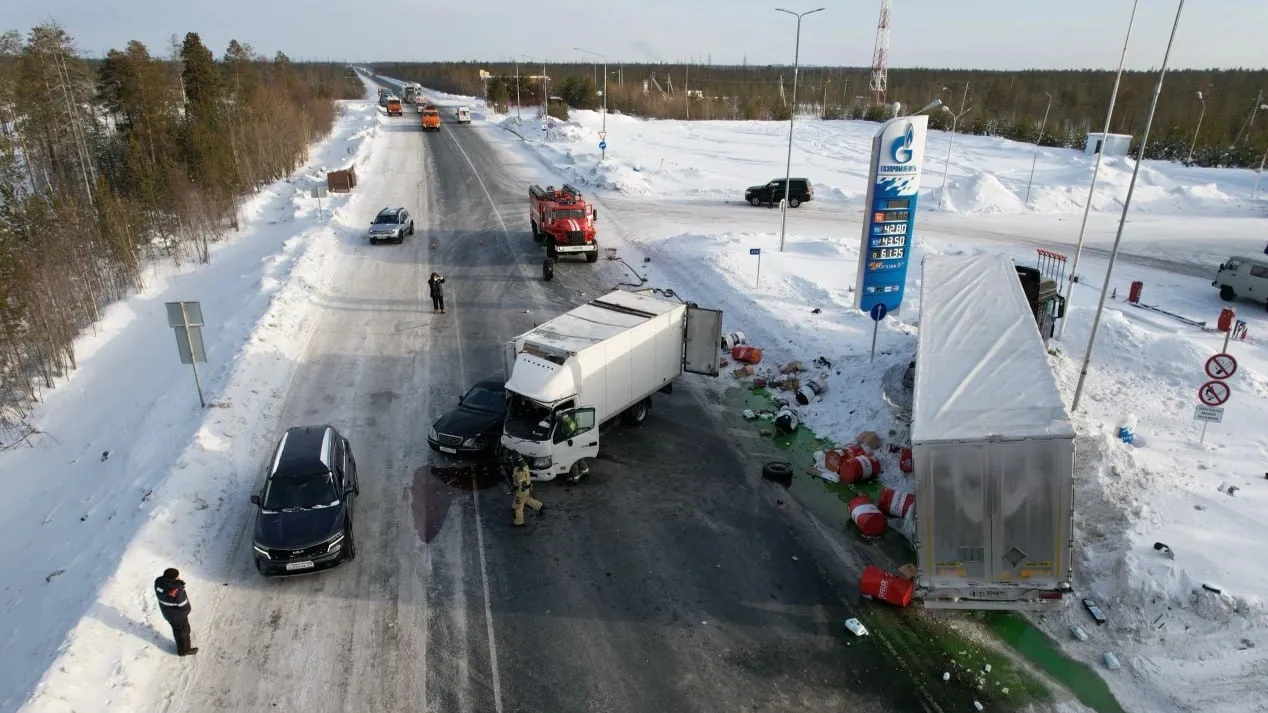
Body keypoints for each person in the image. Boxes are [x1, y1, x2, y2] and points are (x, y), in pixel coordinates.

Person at [153, 568, 198, 656]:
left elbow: (164, 591)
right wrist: (187, 611)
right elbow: (184, 605)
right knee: (183, 632)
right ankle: (184, 651)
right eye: (177, 576)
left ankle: (181, 647)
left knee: (177, 630)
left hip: (168, 613)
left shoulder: (158, 583)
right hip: (178, 617)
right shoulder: (177, 591)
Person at [510, 454, 544, 526]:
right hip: (525, 490)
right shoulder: (524, 465)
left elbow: (522, 484)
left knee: (518, 506)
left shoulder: (520, 470)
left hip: (521, 490)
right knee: (526, 500)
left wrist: (519, 495)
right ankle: (540, 506)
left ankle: (518, 522)